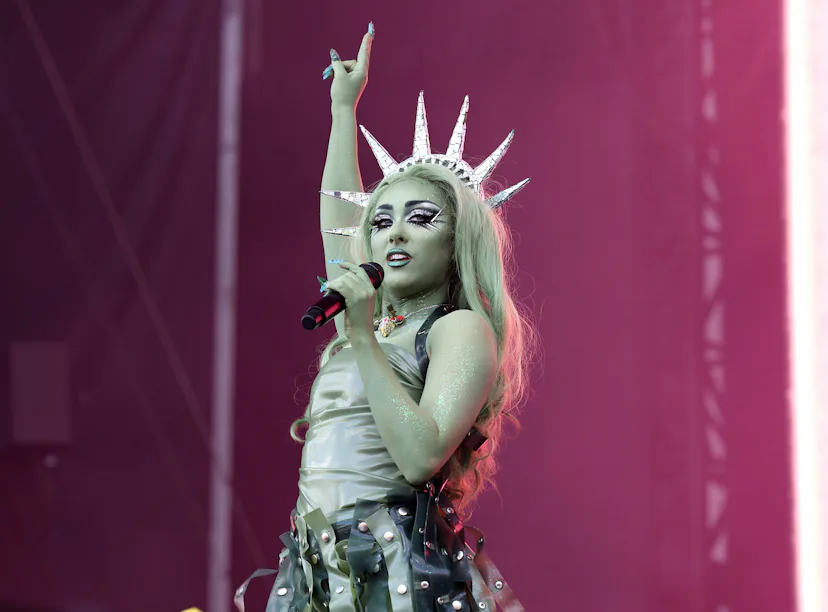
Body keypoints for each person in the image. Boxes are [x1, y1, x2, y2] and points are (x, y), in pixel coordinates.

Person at [235, 24, 534, 612]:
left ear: (457, 241)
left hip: (394, 572)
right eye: (381, 221)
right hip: (317, 571)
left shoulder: (456, 328)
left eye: (420, 218)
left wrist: (362, 338)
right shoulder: (371, 325)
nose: (394, 232)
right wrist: (342, 110)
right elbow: (338, 219)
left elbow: (420, 458)